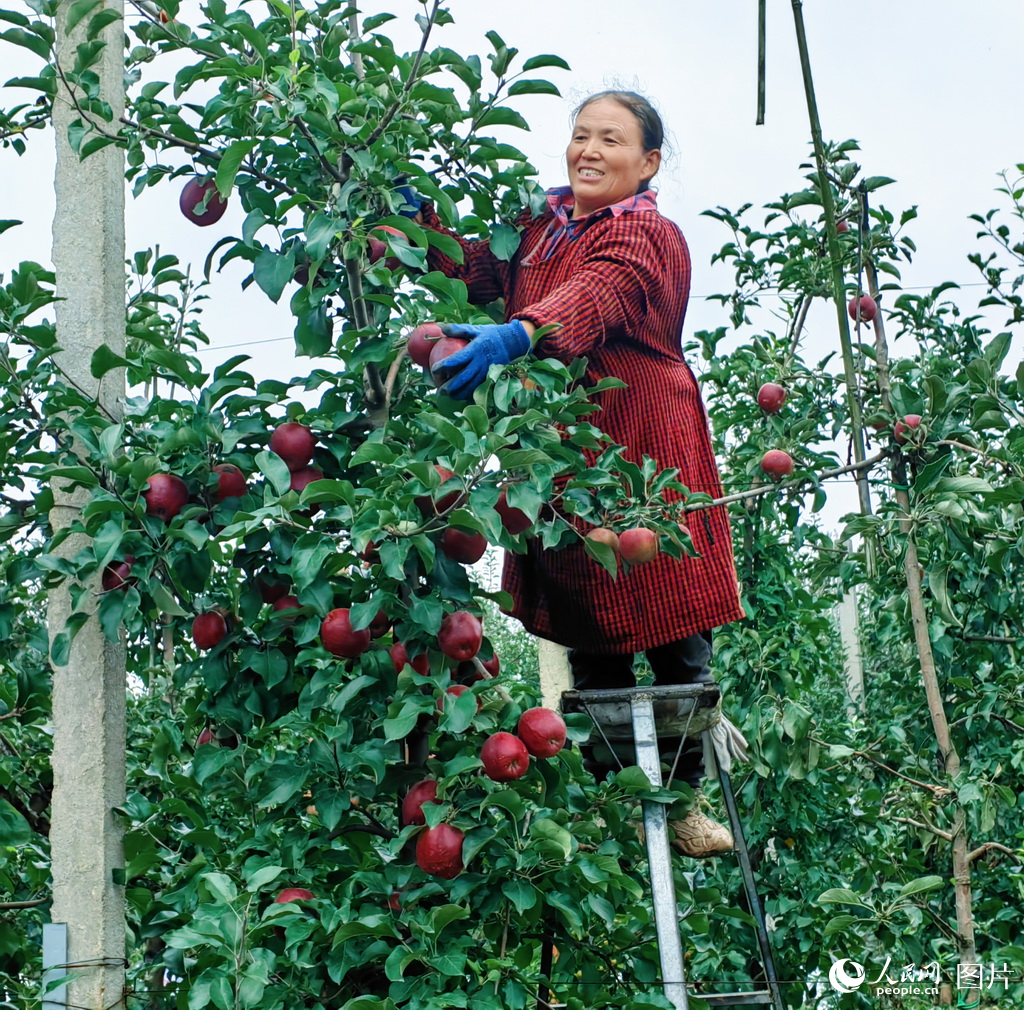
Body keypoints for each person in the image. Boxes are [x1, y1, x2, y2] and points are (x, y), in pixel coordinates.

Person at [414, 90, 745, 857]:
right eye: (580, 136)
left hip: (646, 445)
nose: (590, 151)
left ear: (648, 162)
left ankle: (683, 798)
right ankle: (618, 797)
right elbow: (473, 270)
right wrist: (411, 216)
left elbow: (596, 294)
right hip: (564, 454)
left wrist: (519, 333)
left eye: (611, 140)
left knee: (672, 628)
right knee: (592, 631)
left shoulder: (648, 235)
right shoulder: (540, 228)